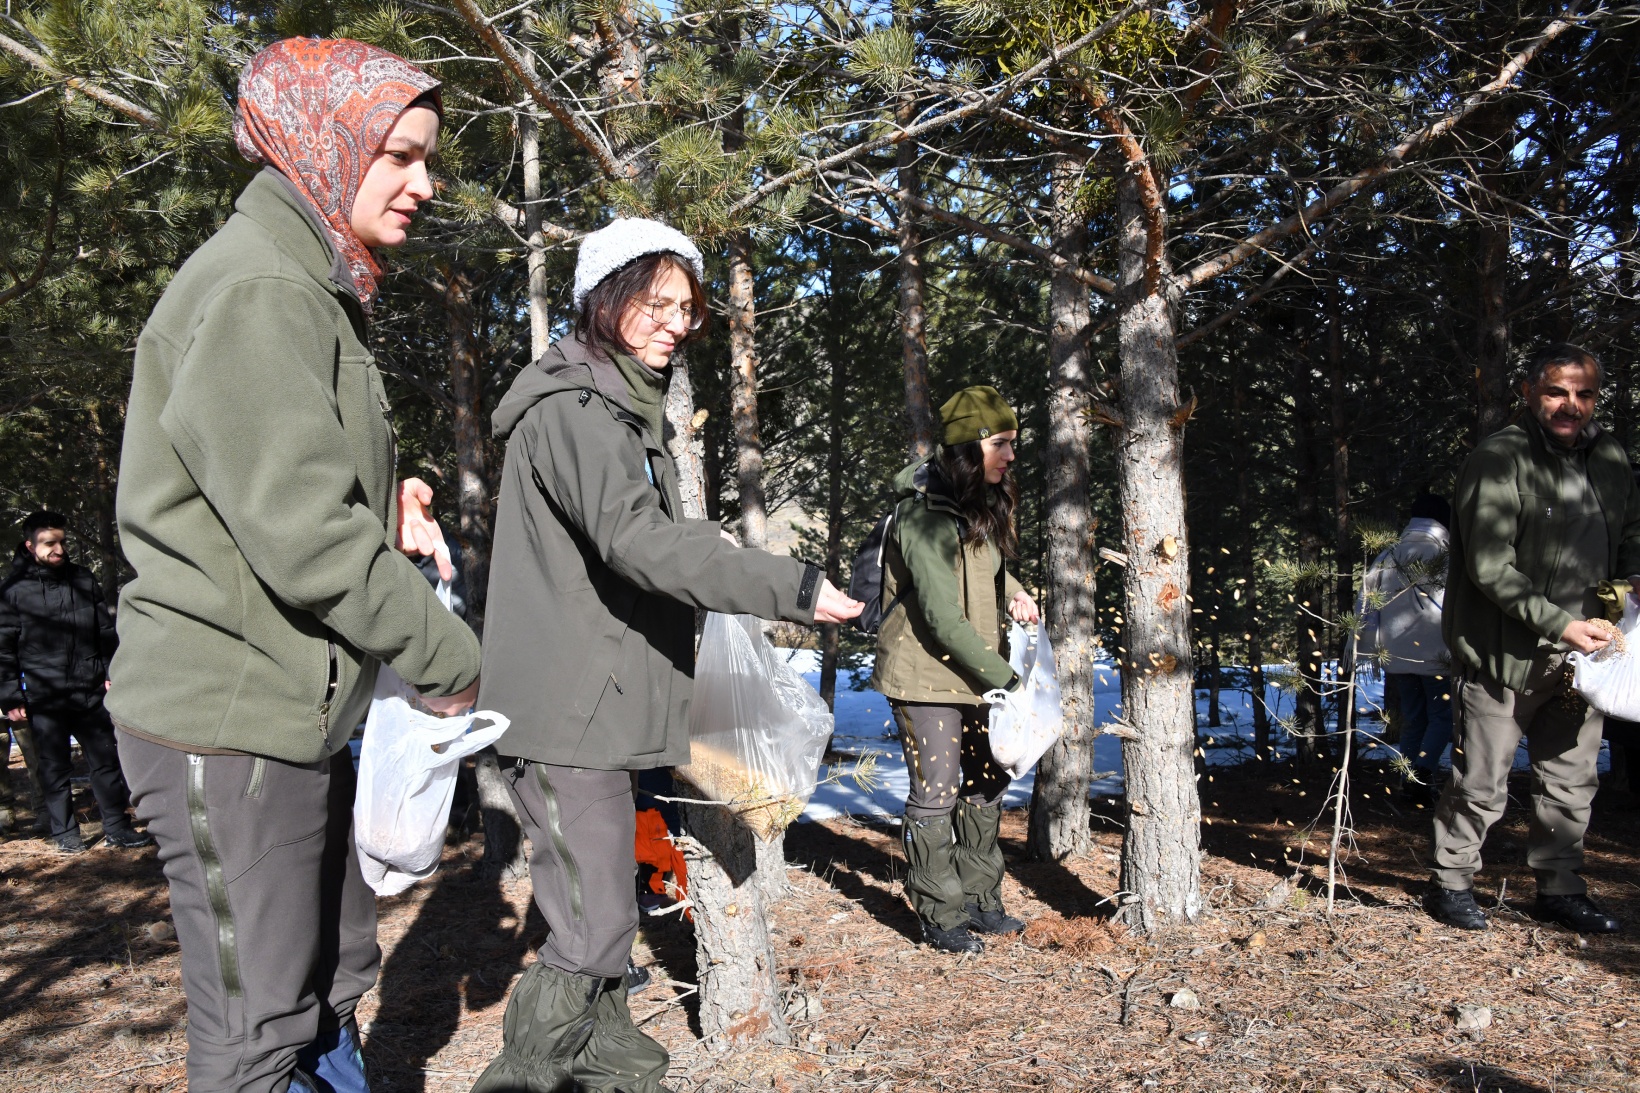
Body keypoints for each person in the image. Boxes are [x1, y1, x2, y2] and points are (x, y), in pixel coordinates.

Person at [108, 39, 482, 1093]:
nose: (423, 184)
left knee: (325, 980)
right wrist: (449, 656)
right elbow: (303, 528)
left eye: (428, 159)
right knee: (254, 1024)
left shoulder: (305, 283)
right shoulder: (261, 287)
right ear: (324, 144)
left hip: (285, 711)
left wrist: (387, 494)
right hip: (224, 722)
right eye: (399, 155)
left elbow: (273, 476)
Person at [473, 217, 862, 1092]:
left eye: (687, 307)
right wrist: (786, 585)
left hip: (599, 704)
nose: (676, 321)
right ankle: (524, 1076)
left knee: (603, 901)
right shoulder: (573, 411)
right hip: (566, 712)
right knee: (591, 919)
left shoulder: (620, 407)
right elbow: (636, 541)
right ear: (604, 299)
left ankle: (602, 1052)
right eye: (657, 302)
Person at [1430, 343, 1633, 934]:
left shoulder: (1611, 456)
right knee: (1482, 782)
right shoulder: (1498, 459)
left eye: (1585, 393)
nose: (1572, 405)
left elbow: (1635, 528)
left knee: (1571, 780)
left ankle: (1561, 890)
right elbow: (1489, 566)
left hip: (1590, 655)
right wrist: (1560, 624)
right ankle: (1451, 881)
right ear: (1529, 393)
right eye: (1557, 392)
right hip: (1504, 655)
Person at [869, 386, 1041, 955]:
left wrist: (1014, 590)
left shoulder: (977, 504)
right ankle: (939, 913)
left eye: (1014, 444)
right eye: (1000, 444)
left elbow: (986, 571)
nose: (1011, 456)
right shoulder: (922, 518)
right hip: (925, 678)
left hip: (976, 676)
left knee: (986, 788)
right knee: (938, 792)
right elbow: (942, 619)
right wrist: (1011, 682)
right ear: (968, 447)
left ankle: (980, 901)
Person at [0, 512, 151, 851]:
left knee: (106, 761)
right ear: (30, 545)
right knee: (54, 769)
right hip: (46, 696)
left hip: (90, 689)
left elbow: (105, 633)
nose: (58, 549)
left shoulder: (82, 579)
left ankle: (117, 827)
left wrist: (112, 673)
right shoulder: (12, 591)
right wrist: (11, 698)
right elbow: (3, 649)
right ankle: (66, 836)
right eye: (49, 543)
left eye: (62, 542)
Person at [1356, 494, 1454, 807]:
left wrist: (1368, 644)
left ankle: (1408, 779)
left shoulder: (1390, 553)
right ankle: (1421, 777)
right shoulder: (1445, 553)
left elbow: (1367, 604)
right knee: (1442, 718)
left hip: (1396, 654)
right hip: (1439, 654)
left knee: (1414, 718)